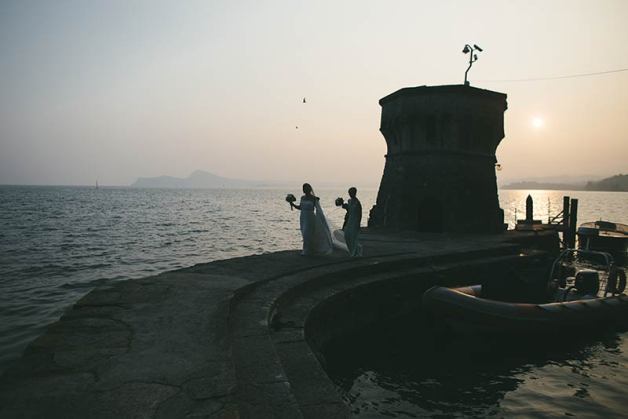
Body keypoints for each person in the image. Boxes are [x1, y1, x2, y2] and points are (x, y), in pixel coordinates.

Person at [290, 183, 333, 256]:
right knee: (304, 233)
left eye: (306, 188)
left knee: (308, 233)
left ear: (309, 189)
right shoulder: (302, 198)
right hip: (303, 217)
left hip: (310, 218)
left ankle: (307, 250)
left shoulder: (314, 198)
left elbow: (318, 210)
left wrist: (319, 219)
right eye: (303, 188)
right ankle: (308, 249)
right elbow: (300, 207)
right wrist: (292, 204)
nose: (304, 190)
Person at [342, 187, 362, 256]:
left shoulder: (357, 203)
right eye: (349, 193)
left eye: (351, 193)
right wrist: (343, 205)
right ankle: (352, 250)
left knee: (353, 236)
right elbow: (348, 209)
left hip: (355, 220)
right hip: (350, 219)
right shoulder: (349, 201)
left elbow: (359, 214)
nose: (350, 194)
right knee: (347, 235)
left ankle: (355, 252)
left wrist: (358, 223)